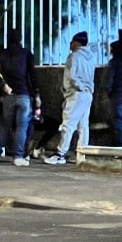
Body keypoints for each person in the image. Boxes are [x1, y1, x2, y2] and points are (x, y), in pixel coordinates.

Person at [44, 32, 96, 165]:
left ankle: (60, 154)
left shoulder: (74, 56)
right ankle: (82, 155)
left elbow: (72, 76)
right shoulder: (91, 57)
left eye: (72, 42)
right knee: (83, 126)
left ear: (77, 43)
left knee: (68, 124)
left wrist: (78, 86)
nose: (70, 44)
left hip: (76, 94)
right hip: (88, 94)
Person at [0, 28, 41, 167]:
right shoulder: (26, 54)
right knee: (21, 127)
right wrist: (36, 94)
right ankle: (18, 156)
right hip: (24, 95)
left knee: (5, 126)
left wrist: (3, 85)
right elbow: (33, 76)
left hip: (8, 96)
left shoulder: (2, 54)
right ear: (20, 39)